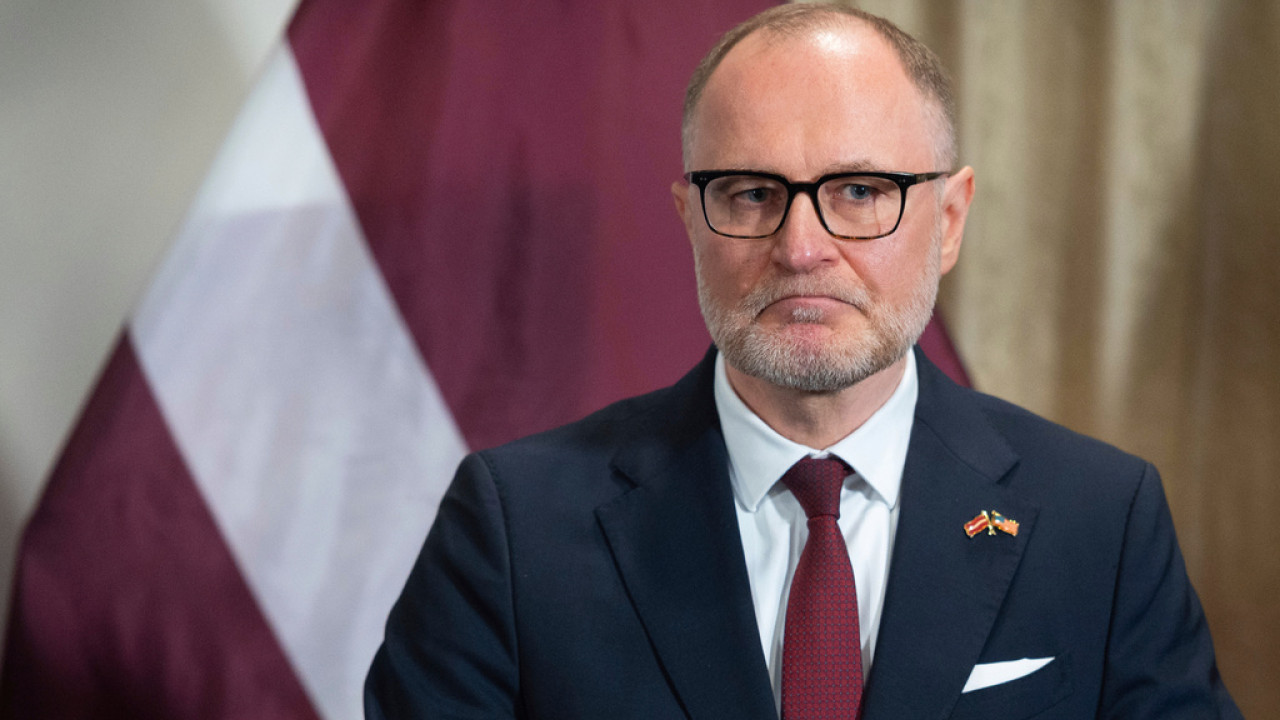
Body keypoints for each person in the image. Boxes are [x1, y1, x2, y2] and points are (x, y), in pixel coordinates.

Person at [365, 5, 1241, 719]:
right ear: (690, 219)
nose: (801, 247)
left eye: (859, 191)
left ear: (949, 221)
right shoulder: (513, 528)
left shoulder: (1102, 519)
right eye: (752, 193)